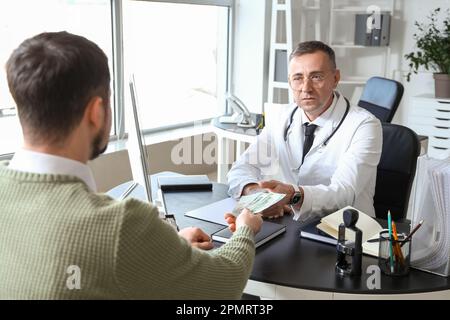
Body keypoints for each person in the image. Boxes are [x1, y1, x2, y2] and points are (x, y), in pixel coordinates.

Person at [0, 31, 262, 299]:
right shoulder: (120, 225)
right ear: (96, 112)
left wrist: (162, 254)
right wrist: (245, 230)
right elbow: (224, 283)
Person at [228, 41, 382, 221]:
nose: (306, 88)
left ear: (335, 78)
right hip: (294, 224)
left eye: (316, 77)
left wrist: (293, 195)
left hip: (346, 231)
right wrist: (258, 195)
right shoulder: (281, 116)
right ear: (290, 81)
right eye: (298, 78)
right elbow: (242, 167)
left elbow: (344, 193)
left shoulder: (365, 125)